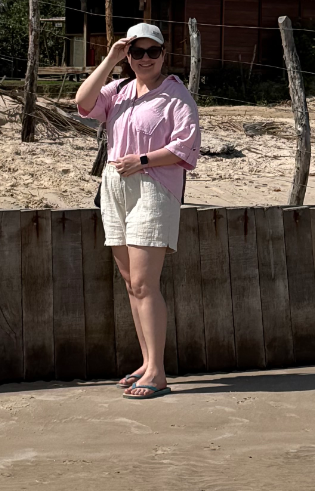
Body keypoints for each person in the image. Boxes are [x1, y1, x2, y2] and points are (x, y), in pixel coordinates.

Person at [75, 21, 200, 400]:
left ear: (164, 53)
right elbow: (83, 103)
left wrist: (142, 160)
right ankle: (146, 363)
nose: (145, 59)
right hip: (116, 188)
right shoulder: (119, 89)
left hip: (153, 188)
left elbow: (186, 147)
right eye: (137, 52)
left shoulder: (176, 95)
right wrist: (109, 59)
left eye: (153, 51)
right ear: (128, 55)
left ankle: (158, 372)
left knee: (145, 284)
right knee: (131, 283)